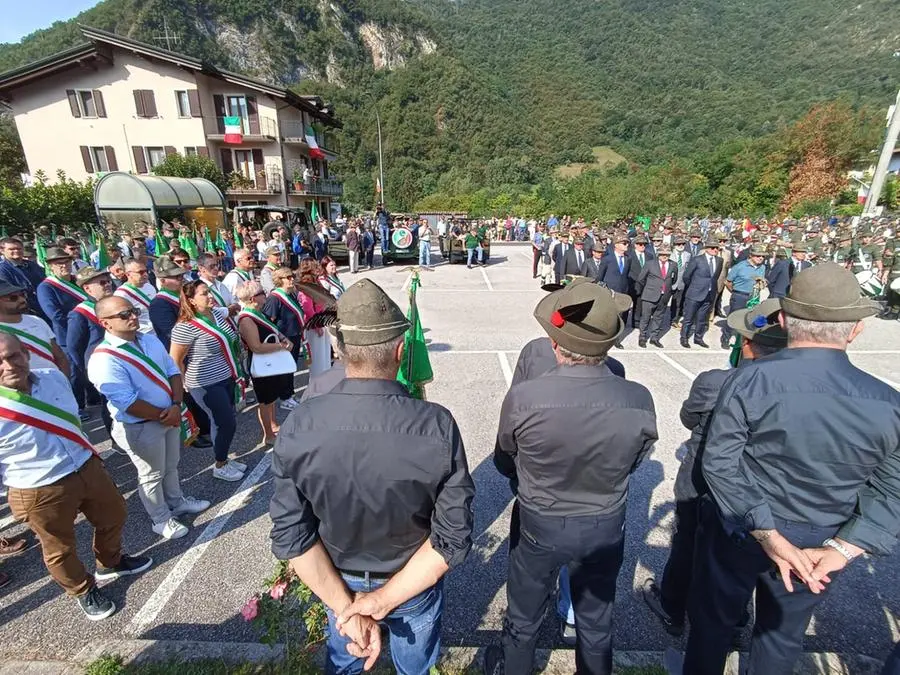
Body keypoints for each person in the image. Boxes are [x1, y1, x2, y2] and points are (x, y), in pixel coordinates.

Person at [680, 263, 900, 675]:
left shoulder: (747, 382)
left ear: (782, 319)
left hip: (741, 532)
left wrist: (768, 534)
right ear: (855, 329)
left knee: (712, 626)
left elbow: (721, 463)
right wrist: (843, 550)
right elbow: (892, 490)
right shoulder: (889, 403)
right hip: (821, 541)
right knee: (781, 639)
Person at [269, 278, 475, 674]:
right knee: (414, 667)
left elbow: (291, 535)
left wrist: (349, 607)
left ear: (341, 351)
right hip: (412, 579)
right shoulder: (437, 425)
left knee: (345, 662)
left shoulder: (300, 423)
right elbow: (450, 538)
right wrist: (380, 602)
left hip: (335, 578)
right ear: (401, 351)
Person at [485, 279, 657, 675]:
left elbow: (503, 459)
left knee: (523, 619)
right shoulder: (638, 398)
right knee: (596, 624)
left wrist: (530, 478)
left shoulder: (525, 398)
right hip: (603, 523)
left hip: (539, 520)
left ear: (556, 344)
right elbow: (635, 460)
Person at [641, 298, 787, 638]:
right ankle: (735, 618)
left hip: (701, 482)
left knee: (687, 544)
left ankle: (673, 609)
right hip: (755, 490)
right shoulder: (789, 389)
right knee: (740, 555)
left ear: (747, 345)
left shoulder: (715, 381)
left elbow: (688, 417)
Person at [0, 333, 152, 619]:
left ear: (26, 354)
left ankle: (109, 562)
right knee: (59, 547)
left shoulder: (52, 378)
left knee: (115, 514)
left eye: (13, 356)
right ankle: (83, 589)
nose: (8, 366)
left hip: (85, 465)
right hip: (38, 486)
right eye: (0, 361)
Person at [88, 296, 210, 541]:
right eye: (123, 315)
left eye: (132, 311)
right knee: (151, 474)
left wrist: (175, 405)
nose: (132, 316)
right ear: (105, 323)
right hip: (141, 425)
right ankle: (161, 519)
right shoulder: (103, 358)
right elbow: (127, 402)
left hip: (169, 415)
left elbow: (173, 371)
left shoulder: (149, 339)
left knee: (171, 465)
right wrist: (164, 415)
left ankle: (177, 502)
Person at [169, 280, 245, 482]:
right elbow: (175, 359)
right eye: (204, 294)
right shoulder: (184, 327)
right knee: (224, 422)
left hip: (226, 375)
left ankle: (225, 458)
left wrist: (236, 306)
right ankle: (220, 464)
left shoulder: (217, 313)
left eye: (209, 291)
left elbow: (231, 311)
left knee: (228, 420)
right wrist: (181, 385)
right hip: (204, 383)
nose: (210, 296)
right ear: (192, 301)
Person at [149, 256, 213, 451]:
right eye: (175, 278)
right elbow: (171, 331)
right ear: (162, 280)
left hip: (194, 350)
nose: (180, 280)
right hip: (179, 352)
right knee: (187, 395)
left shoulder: (180, 296)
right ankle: (196, 433)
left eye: (181, 276)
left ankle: (205, 425)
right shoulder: (159, 304)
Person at [237, 281, 295, 445]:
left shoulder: (258, 313)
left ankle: (273, 425)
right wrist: (281, 346)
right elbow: (256, 346)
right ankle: (268, 435)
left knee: (271, 398)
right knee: (264, 400)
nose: (266, 294)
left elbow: (272, 330)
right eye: (262, 292)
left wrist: (283, 339)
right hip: (261, 362)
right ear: (254, 298)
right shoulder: (247, 319)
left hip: (270, 360)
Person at [263, 267, 306, 411]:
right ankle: (285, 397)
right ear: (279, 280)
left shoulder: (290, 294)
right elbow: (268, 321)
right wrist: (279, 340)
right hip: (284, 339)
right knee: (285, 369)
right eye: (288, 277)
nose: (291, 279)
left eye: (292, 276)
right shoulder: (274, 298)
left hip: (294, 336)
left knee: (291, 367)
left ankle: (290, 394)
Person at [679, 237, 722, 349]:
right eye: (712, 248)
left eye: (717, 248)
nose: (715, 250)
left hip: (709, 294)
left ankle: (698, 338)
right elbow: (686, 276)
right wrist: (694, 287)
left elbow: (715, 277)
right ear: (706, 248)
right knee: (688, 318)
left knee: (702, 318)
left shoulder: (719, 261)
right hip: (694, 293)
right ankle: (684, 337)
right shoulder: (697, 260)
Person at [720, 244, 766, 348]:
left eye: (763, 256)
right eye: (758, 256)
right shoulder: (740, 266)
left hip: (754, 297)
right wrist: (735, 292)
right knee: (733, 318)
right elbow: (728, 281)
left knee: (749, 319)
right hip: (739, 296)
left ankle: (743, 340)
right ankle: (725, 338)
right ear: (751, 256)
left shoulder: (762, 267)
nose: (761, 258)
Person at [636, 245, 678, 348]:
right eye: (662, 254)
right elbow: (641, 279)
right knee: (645, 317)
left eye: (667, 254)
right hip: (649, 295)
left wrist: (666, 289)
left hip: (664, 296)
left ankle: (654, 338)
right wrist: (647, 290)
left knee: (658, 317)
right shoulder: (650, 264)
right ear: (658, 254)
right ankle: (642, 337)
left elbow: (674, 279)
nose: (664, 256)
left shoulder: (673, 265)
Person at [298, 260, 332, 377]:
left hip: (322, 321)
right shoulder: (307, 285)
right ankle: (317, 385)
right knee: (318, 359)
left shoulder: (316, 282)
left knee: (325, 356)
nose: (319, 268)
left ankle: (324, 381)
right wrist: (316, 325)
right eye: (315, 266)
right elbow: (307, 307)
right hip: (314, 326)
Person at [0, 237, 46, 321]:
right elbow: (9, 293)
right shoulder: (2, 269)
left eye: (19, 248)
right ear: (2, 251)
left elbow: (44, 282)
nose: (16, 251)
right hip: (24, 311)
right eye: (12, 249)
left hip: (43, 306)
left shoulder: (33, 265)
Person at [114, 258, 157, 335]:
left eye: (146, 271)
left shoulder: (149, 286)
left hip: (159, 330)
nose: (145, 274)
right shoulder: (121, 294)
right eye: (141, 272)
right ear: (128, 274)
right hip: (143, 334)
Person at [669, 236, 692, 328]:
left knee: (677, 303)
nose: (681, 245)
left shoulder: (688, 255)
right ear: (674, 245)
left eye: (683, 244)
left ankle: (674, 320)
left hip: (681, 283)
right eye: (678, 244)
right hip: (670, 282)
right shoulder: (669, 254)